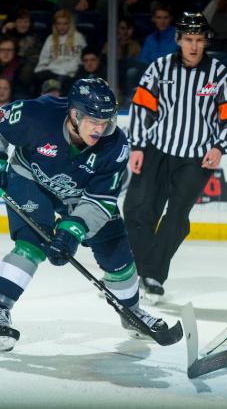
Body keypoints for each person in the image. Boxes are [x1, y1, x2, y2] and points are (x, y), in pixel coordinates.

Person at [0, 78, 176, 352]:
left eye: (105, 120)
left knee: (117, 253)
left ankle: (132, 312)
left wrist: (71, 234)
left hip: (79, 195)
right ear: (74, 114)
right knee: (31, 244)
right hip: (30, 179)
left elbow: (100, 200)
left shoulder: (115, 146)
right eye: (93, 120)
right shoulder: (39, 114)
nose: (100, 128)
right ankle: (1, 307)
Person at [123, 12, 227, 303]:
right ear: (178, 40)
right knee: (137, 210)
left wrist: (220, 147)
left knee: (176, 216)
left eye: (199, 40)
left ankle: (152, 275)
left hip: (196, 157)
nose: (193, 46)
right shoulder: (159, 68)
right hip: (156, 150)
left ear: (206, 42)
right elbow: (141, 109)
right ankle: (137, 271)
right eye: (188, 39)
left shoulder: (219, 75)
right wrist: (138, 146)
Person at [34, 9, 86, 93]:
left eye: (65, 23)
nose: (61, 27)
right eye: (59, 23)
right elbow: (43, 59)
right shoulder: (50, 38)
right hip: (51, 71)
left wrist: (66, 71)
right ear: (55, 25)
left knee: (60, 82)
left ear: (70, 24)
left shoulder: (78, 37)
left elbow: (80, 60)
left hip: (70, 73)